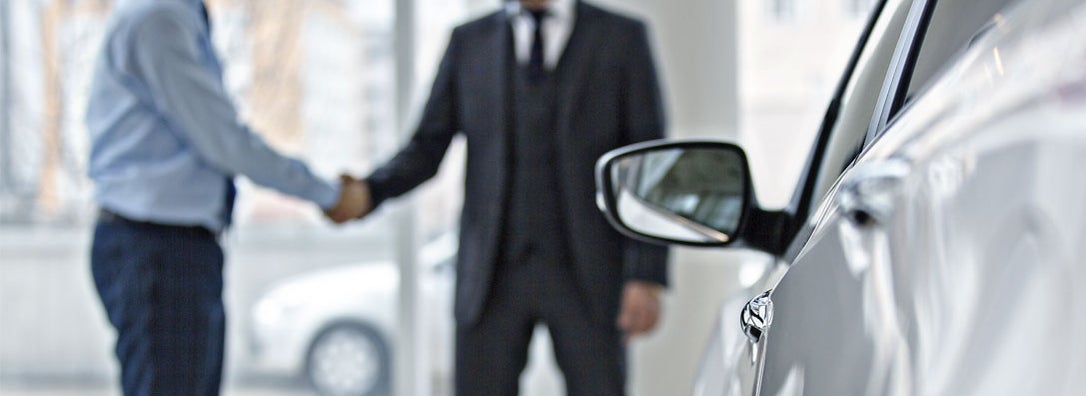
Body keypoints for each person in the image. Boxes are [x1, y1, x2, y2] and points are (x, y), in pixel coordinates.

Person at [354, 0, 668, 394]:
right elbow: (426, 147)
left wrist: (646, 274)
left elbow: (650, 165)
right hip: (491, 275)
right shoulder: (469, 41)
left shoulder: (622, 38)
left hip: (590, 272)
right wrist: (369, 192)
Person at [84, 0, 368, 394]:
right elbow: (225, 142)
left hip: (169, 245)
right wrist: (329, 194)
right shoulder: (159, 18)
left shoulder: (176, 16)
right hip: (158, 247)